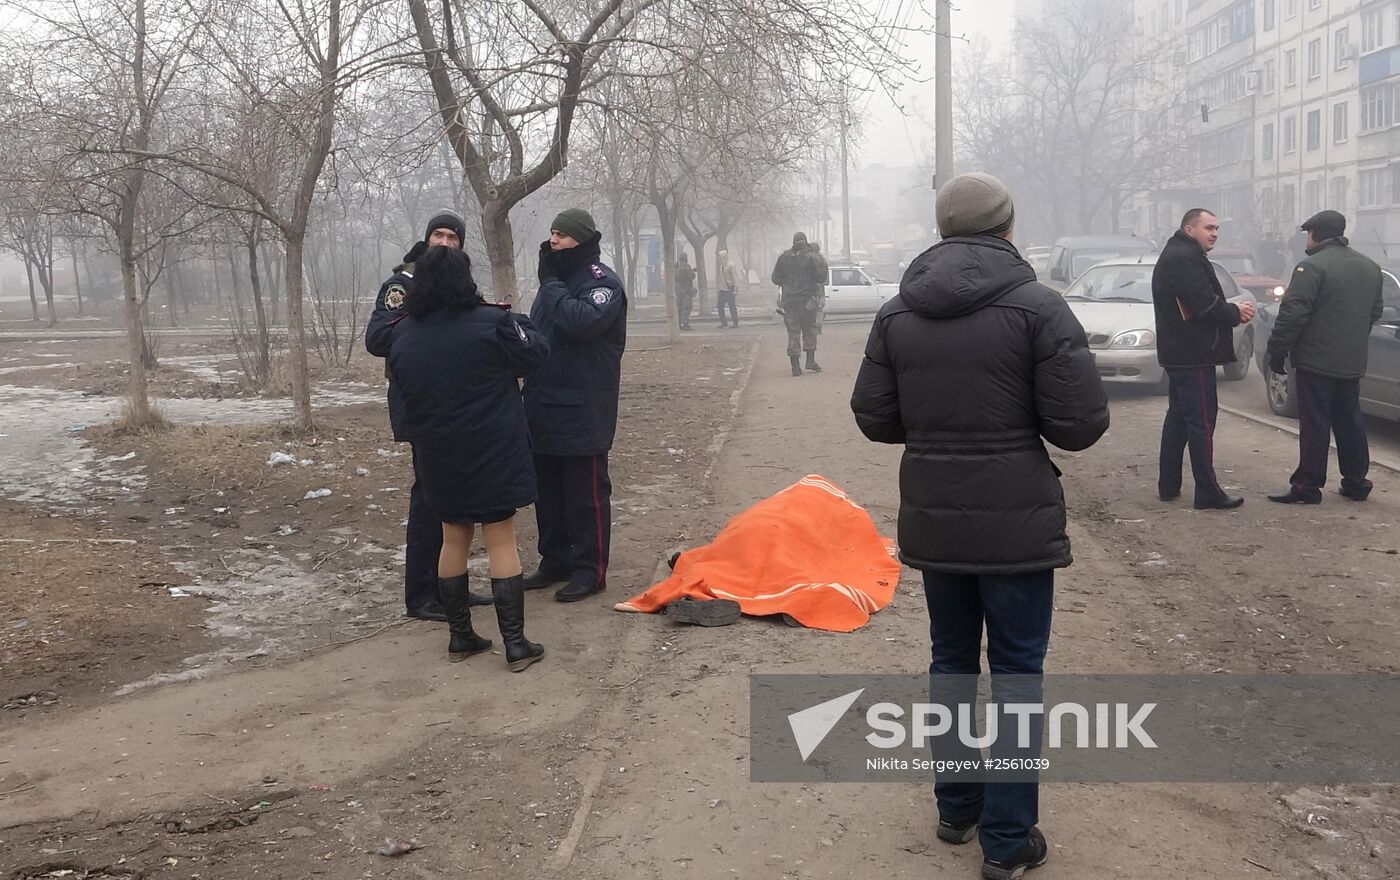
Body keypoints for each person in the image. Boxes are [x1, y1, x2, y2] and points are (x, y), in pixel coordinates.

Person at [850, 172, 1109, 880]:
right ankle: (1008, 840)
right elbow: (1080, 426)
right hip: (1016, 520)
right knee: (1019, 671)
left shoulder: (898, 311)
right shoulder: (1039, 308)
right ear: (1007, 227)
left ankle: (957, 808)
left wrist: (937, 430)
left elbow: (874, 416)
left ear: (941, 229)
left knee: (951, 660)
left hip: (935, 514)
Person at [384, 245, 550, 670]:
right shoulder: (492, 323)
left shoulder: (403, 333)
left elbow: (402, 390)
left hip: (438, 453)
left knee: (453, 536)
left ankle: (460, 635)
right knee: (500, 538)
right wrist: (518, 320)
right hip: (492, 448)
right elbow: (536, 355)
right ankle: (515, 644)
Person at [365, 210, 491, 619]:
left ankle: (451, 587)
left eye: (453, 237)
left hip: (458, 404)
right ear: (426, 239)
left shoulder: (460, 284)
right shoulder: (402, 285)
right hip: (420, 403)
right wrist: (426, 323)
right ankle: (421, 594)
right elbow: (378, 338)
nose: (444, 242)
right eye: (438, 234)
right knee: (429, 501)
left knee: (457, 501)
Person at [521, 208, 628, 603]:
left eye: (563, 236)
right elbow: (539, 333)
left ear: (582, 241)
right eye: (552, 233)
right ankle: (554, 561)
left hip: (584, 407)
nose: (554, 241)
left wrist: (550, 285)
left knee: (585, 496)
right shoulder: (556, 283)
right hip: (543, 404)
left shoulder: (601, 284)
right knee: (547, 493)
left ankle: (589, 569)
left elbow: (581, 322)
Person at [1265, 210, 1385, 504]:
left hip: (1315, 362)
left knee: (1315, 423)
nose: (1306, 239)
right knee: (1351, 422)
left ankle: (1307, 486)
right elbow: (1375, 311)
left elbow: (1293, 314)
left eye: (1308, 233)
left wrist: (1277, 349)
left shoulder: (1312, 268)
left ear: (1316, 234)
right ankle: (1356, 482)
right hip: (1351, 362)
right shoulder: (1370, 267)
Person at [1151, 208, 1256, 510]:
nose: (1214, 234)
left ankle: (1169, 484)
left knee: (1180, 419)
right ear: (1189, 229)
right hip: (1192, 353)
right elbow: (1203, 306)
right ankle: (1207, 491)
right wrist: (1236, 313)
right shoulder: (1184, 258)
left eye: (1217, 229)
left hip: (1184, 351)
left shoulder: (1181, 254)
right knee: (1201, 421)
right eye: (1208, 227)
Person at [771, 232, 827, 375]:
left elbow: (775, 279)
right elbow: (821, 277)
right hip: (808, 300)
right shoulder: (811, 257)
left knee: (793, 332)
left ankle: (795, 367)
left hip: (789, 301)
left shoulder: (783, 258)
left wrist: (787, 281)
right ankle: (810, 360)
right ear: (805, 242)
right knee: (810, 330)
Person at [717, 250, 739, 328]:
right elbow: (721, 278)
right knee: (720, 306)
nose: (719, 257)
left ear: (724, 256)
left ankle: (735, 322)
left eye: (720, 256)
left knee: (731, 306)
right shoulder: (722, 265)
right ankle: (723, 322)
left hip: (730, 288)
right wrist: (719, 288)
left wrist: (736, 289)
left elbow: (734, 277)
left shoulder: (731, 265)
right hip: (722, 289)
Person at [676, 253, 696, 331]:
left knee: (679, 308)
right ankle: (685, 324)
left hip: (678, 290)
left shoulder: (677, 267)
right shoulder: (687, 267)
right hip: (686, 290)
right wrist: (693, 272)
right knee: (687, 308)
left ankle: (678, 324)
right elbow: (691, 276)